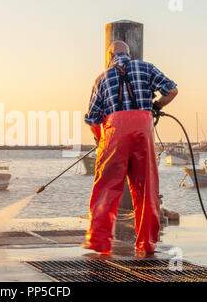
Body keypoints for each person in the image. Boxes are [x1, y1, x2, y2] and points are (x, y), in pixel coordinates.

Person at [83, 40, 178, 254]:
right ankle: (147, 244)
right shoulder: (146, 67)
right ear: (129, 54)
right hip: (142, 134)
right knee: (146, 190)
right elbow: (172, 90)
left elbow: (92, 119)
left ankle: (99, 241)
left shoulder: (101, 79)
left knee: (106, 187)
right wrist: (156, 106)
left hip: (114, 136)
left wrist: (101, 139)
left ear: (109, 57)